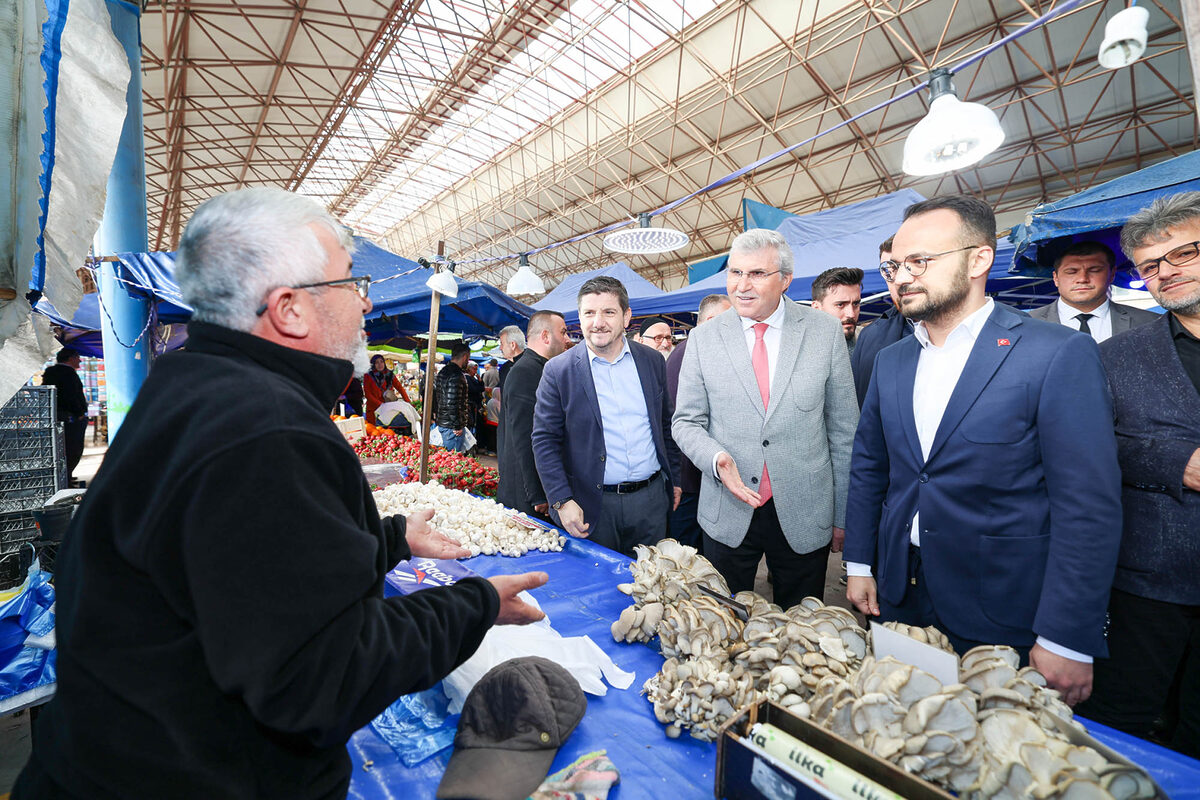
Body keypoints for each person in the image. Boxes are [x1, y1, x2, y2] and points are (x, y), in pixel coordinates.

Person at [14, 187, 546, 800]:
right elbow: (323, 674)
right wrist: (474, 605)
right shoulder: (267, 431)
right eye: (351, 282)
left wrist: (391, 538)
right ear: (291, 309)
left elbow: (253, 571)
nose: (366, 301)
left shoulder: (197, 389)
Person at [842, 195, 1121, 707]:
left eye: (919, 261)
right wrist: (860, 562)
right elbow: (871, 469)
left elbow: (1088, 506)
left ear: (979, 260)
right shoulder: (891, 360)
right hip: (900, 595)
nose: (902, 276)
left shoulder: (1054, 353)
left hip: (1004, 607)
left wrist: (1066, 634)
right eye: (893, 265)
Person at [1074, 192, 1200, 756]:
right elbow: (1092, 445)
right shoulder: (1117, 355)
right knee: (1121, 726)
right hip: (1152, 577)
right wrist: (1175, 462)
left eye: (1184, 253)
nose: (1164, 273)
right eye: (1150, 266)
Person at [672, 230, 858, 608]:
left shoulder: (823, 331)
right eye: (735, 273)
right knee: (724, 619)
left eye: (756, 274)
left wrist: (842, 515)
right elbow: (686, 422)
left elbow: (843, 431)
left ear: (785, 280)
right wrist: (715, 459)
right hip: (727, 511)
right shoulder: (704, 339)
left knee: (801, 627)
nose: (741, 285)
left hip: (805, 512)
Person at [532, 277, 681, 556]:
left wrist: (675, 479)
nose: (597, 322)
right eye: (589, 313)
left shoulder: (651, 361)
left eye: (608, 312)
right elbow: (544, 441)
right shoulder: (558, 371)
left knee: (650, 587)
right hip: (590, 504)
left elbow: (665, 423)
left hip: (650, 502)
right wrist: (561, 500)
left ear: (626, 317)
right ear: (579, 317)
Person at [665, 294, 731, 551]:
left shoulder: (699, 351)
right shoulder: (689, 353)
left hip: (699, 476)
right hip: (691, 480)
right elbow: (684, 421)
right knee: (690, 558)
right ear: (712, 320)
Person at [498, 310, 569, 517]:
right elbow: (525, 436)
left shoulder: (542, 369)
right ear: (546, 336)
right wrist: (538, 493)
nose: (567, 339)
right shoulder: (526, 372)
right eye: (563, 332)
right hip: (526, 496)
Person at [1029, 241, 1159, 341]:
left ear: (1112, 274)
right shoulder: (1027, 323)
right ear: (1055, 278)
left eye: (1094, 270)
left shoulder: (1150, 323)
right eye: (1071, 272)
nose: (1082, 279)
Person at [850, 237, 911, 407]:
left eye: (908, 266)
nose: (898, 280)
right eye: (889, 271)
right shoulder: (869, 337)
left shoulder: (972, 330)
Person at [40, 347, 89, 485]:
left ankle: (65, 476)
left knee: (59, 449)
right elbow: (71, 395)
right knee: (73, 448)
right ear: (70, 358)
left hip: (55, 416)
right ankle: (66, 478)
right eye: (77, 357)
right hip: (69, 418)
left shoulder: (50, 371)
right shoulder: (68, 374)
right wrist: (79, 413)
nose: (79, 360)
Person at [811, 267, 864, 354]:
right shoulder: (798, 348)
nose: (851, 314)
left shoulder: (872, 340)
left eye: (855, 304)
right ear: (816, 308)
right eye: (840, 305)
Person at [433, 342, 471, 452]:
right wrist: (457, 425)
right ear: (465, 357)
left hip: (444, 423)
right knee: (453, 460)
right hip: (451, 428)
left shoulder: (443, 371)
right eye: (468, 358)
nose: (468, 362)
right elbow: (452, 402)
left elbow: (438, 398)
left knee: (447, 460)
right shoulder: (457, 374)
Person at [363, 353, 410, 424]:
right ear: (373, 364)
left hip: (388, 408)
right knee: (374, 431)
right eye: (377, 362)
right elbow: (368, 394)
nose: (380, 364)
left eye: (381, 361)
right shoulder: (368, 376)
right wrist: (381, 404)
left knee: (388, 429)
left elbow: (400, 388)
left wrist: (408, 402)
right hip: (373, 409)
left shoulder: (390, 374)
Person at [497, 325, 526, 390]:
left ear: (513, 345)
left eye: (502, 344)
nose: (500, 348)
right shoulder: (504, 369)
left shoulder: (531, 366)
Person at [465, 360, 485, 434]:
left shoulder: (473, 378)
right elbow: (473, 389)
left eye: (476, 369)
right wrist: (482, 388)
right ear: (469, 369)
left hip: (475, 404)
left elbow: (480, 388)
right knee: (471, 423)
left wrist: (480, 381)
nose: (476, 371)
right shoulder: (467, 378)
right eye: (474, 369)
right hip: (471, 404)